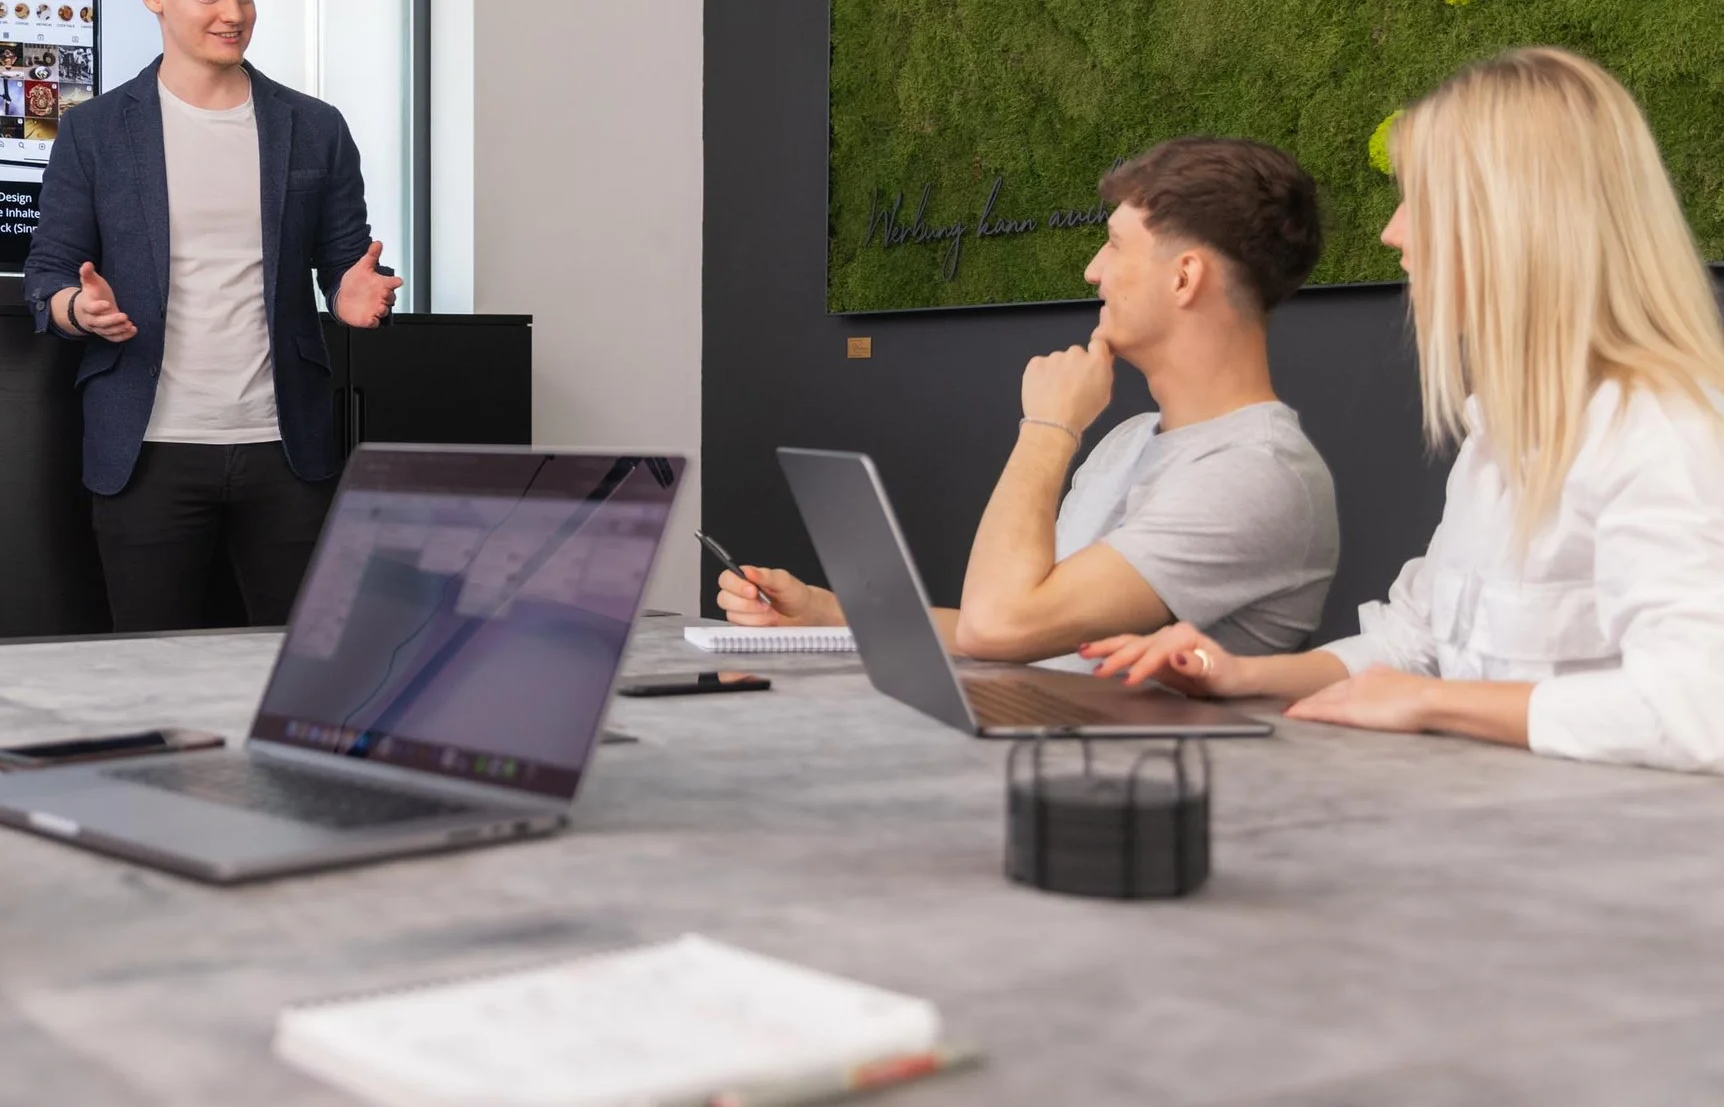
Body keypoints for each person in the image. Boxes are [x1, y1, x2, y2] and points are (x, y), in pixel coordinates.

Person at [1088, 50, 1724, 772]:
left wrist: (1432, 704)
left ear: (1512, 218)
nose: (1393, 231)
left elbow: (1702, 706)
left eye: (1419, 198)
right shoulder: (1501, 444)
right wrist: (1236, 673)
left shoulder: (1664, 432)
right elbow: (1414, 641)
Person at [721, 137, 1339, 661]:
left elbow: (999, 626)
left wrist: (1048, 426)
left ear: (1184, 277)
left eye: (1115, 244)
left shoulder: (1253, 473)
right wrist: (828, 614)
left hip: (1137, 786)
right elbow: (1001, 629)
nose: (1093, 271)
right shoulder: (1131, 441)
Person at [23, 0, 401, 630]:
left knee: (300, 665)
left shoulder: (314, 127)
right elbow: (49, 271)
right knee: (155, 676)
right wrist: (78, 308)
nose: (234, 13)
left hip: (284, 449)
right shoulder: (94, 131)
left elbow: (345, 261)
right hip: (147, 449)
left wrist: (354, 293)